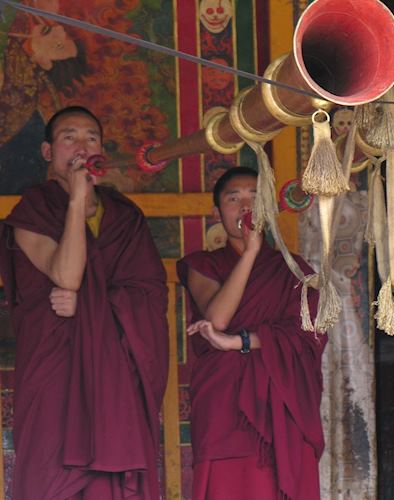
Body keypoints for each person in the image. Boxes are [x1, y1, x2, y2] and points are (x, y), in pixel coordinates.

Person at [0, 106, 169, 499]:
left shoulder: (125, 216)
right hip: (54, 378)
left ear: (101, 151)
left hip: (115, 383)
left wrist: (90, 307)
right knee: (50, 477)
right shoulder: (32, 212)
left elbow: (148, 296)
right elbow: (66, 275)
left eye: (91, 137)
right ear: (47, 152)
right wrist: (77, 201)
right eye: (69, 137)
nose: (81, 145)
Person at [177, 166, 327, 500]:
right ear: (217, 213)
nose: (246, 207)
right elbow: (216, 318)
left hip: (282, 409)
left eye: (255, 199)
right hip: (225, 409)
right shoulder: (202, 264)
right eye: (234, 199)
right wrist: (250, 254)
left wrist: (241, 341)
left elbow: (308, 336)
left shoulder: (296, 271)